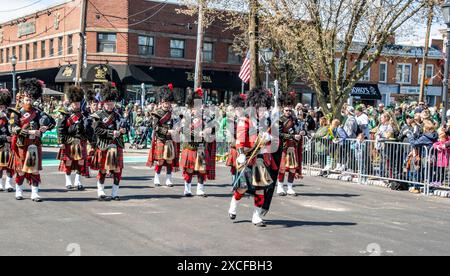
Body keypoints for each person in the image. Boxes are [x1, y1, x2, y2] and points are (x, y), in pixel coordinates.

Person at [228, 88, 278, 227]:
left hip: (260, 160)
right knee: (242, 188)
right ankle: (234, 204)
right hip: (248, 157)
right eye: (260, 109)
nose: (263, 112)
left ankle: (256, 216)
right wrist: (241, 155)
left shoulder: (265, 122)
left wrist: (268, 139)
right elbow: (239, 140)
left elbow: (271, 140)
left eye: (264, 109)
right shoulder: (245, 121)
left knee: (260, 188)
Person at [10, 78, 56, 202]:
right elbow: (13, 128)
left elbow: (53, 122)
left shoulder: (39, 112)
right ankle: (19, 191)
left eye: (30, 99)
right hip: (21, 144)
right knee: (20, 170)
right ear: (22, 99)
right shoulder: (16, 113)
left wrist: (45, 128)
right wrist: (29, 132)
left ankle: (34, 193)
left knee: (34, 170)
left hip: (35, 144)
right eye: (26, 99)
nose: (28, 101)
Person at [90, 83, 128, 201]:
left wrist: (123, 130)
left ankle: (114, 193)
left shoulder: (117, 115)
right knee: (103, 169)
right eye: (108, 104)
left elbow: (125, 128)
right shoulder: (98, 115)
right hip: (103, 145)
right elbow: (97, 130)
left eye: (112, 103)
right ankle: (100, 191)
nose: (110, 106)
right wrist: (112, 133)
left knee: (117, 169)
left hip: (116, 145)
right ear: (103, 103)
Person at [179, 88, 216, 197]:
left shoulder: (206, 117)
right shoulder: (186, 117)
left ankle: (200, 189)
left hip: (201, 147)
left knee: (201, 169)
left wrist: (209, 130)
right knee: (189, 169)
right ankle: (187, 189)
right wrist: (197, 134)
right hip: (190, 146)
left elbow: (214, 126)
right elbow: (184, 130)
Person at [57, 86, 89, 191]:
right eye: (75, 103)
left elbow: (88, 129)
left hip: (80, 140)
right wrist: (60, 141)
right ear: (71, 103)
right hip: (68, 140)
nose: (77, 105)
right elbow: (60, 128)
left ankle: (78, 181)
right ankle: (68, 181)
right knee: (69, 161)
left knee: (80, 161)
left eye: (78, 103)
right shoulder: (65, 113)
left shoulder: (84, 113)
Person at [147, 85, 179, 188]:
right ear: (162, 102)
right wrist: (167, 131)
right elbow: (155, 127)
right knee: (160, 159)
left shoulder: (173, 113)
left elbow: (178, 124)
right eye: (165, 102)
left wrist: (177, 129)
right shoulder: (157, 113)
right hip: (161, 138)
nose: (167, 104)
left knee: (169, 159)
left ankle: (169, 179)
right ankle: (156, 177)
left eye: (169, 102)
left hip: (170, 139)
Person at [276, 92, 303, 196]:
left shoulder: (295, 119)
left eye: (290, 110)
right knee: (282, 168)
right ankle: (280, 187)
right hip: (283, 147)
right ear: (283, 109)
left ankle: (290, 188)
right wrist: (292, 136)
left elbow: (300, 129)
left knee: (292, 168)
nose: (288, 112)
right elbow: (279, 134)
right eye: (286, 110)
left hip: (292, 147)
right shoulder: (280, 120)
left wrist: (302, 132)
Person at [0, 89, 14, 193]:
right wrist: (5, 138)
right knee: (0, 166)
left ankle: (9, 183)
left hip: (10, 145)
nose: (1, 108)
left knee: (10, 166)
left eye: (2, 106)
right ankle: (0, 184)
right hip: (0, 144)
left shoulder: (10, 116)